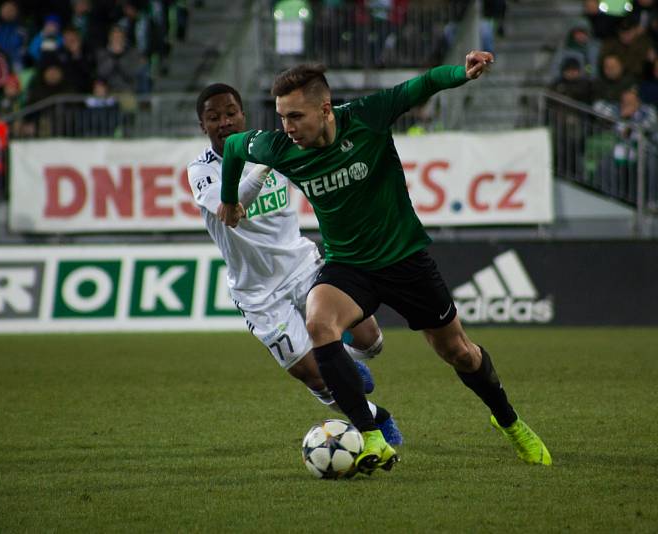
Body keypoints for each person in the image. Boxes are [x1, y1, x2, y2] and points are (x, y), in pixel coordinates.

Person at [217, 53, 552, 475]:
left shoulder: (366, 117)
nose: (287, 128)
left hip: (405, 260)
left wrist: (460, 73)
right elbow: (232, 146)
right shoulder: (281, 147)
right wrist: (229, 200)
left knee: (459, 353)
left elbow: (420, 86)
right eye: (282, 117)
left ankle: (508, 420)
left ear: (325, 109)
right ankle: (369, 435)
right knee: (320, 324)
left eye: (296, 116)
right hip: (349, 266)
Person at [188, 83, 402, 445]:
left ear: (243, 115)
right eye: (213, 118)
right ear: (202, 126)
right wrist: (263, 169)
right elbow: (232, 209)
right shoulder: (201, 171)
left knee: (371, 341)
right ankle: (375, 417)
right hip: (258, 293)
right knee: (317, 377)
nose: (223, 122)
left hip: (305, 267)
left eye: (230, 114)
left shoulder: (278, 146)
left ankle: (344, 367)